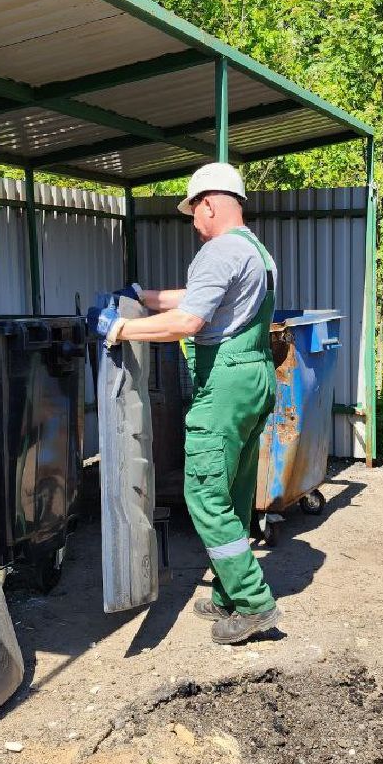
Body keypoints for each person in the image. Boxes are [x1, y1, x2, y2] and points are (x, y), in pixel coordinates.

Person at [92, 162, 282, 644]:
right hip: (255, 377)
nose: (194, 224)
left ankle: (255, 604)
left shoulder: (219, 251)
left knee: (204, 495)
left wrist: (122, 328)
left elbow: (191, 321)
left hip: (226, 384)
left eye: (194, 213)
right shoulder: (255, 251)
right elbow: (199, 297)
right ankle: (228, 592)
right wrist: (141, 295)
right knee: (235, 491)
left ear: (210, 204)